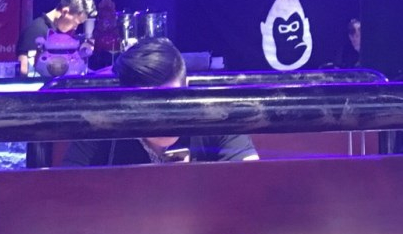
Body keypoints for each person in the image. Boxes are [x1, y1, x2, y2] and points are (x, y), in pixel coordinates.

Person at [62, 38, 258, 166]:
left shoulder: (219, 116)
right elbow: (68, 198)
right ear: (125, 102)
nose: (161, 118)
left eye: (170, 100)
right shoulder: (99, 126)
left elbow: (253, 188)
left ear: (186, 87)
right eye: (145, 106)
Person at [17, 0, 96, 76]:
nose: (75, 28)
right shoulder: (36, 30)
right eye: (76, 23)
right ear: (65, 12)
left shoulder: (61, 33)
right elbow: (25, 70)